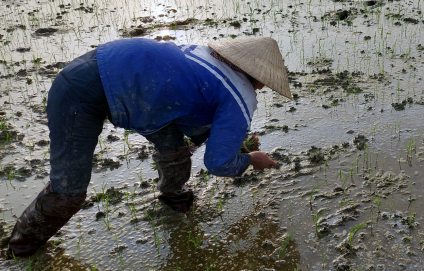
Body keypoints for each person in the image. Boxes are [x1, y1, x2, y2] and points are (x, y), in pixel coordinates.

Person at [6, 37, 291, 257]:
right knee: (68, 191)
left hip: (94, 69)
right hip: (84, 95)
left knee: (173, 144)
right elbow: (217, 164)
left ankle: (174, 196)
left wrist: (234, 143)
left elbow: (192, 119)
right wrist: (251, 159)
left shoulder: (201, 54)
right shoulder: (240, 95)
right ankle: (19, 249)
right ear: (262, 81)